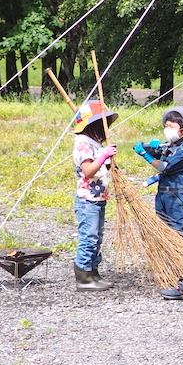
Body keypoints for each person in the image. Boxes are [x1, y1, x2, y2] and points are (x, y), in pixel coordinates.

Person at [135, 106, 183, 300]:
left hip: (176, 196)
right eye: (166, 126)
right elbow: (153, 150)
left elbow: (164, 167)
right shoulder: (169, 147)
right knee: (164, 230)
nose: (167, 130)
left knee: (178, 231)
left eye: (172, 127)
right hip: (162, 194)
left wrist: (146, 156)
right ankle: (175, 265)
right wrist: (150, 146)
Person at [70, 100, 119, 291]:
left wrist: (108, 160)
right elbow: (89, 170)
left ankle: (93, 272)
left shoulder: (94, 143)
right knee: (88, 237)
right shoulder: (82, 145)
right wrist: (102, 156)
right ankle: (83, 276)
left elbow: (101, 168)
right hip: (87, 201)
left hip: (98, 199)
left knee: (97, 238)